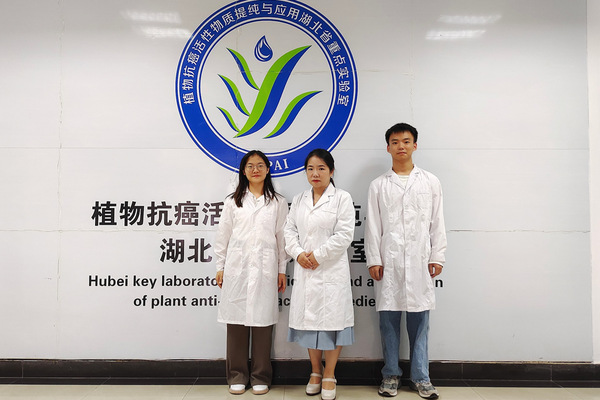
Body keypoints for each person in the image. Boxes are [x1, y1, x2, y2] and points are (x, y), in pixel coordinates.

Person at [365, 123, 447, 399]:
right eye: (395, 142)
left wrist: (437, 255)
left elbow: (437, 222)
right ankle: (390, 374)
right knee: (388, 321)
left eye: (406, 141)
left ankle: (421, 377)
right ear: (388, 147)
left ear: (415, 145)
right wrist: (374, 259)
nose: (401, 146)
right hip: (388, 262)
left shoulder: (430, 182)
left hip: (420, 261)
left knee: (420, 321)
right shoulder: (378, 185)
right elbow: (373, 226)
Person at [214, 150, 288, 396]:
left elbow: (281, 239)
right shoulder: (233, 201)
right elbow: (223, 236)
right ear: (243, 171)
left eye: (260, 165)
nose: (255, 170)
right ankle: (237, 375)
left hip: (266, 268)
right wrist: (220, 266)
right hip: (238, 268)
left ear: (268, 169)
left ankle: (260, 376)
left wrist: (281, 270)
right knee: (236, 322)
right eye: (250, 166)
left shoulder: (277, 202)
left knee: (263, 322)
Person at [284, 149, 355, 400]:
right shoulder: (299, 199)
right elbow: (289, 231)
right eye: (311, 169)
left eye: (321, 168)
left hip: (331, 269)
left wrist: (318, 255)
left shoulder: (342, 198)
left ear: (331, 171)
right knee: (309, 324)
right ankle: (315, 371)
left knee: (333, 323)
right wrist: (298, 253)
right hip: (305, 269)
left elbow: (344, 235)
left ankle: (330, 374)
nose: (315, 173)